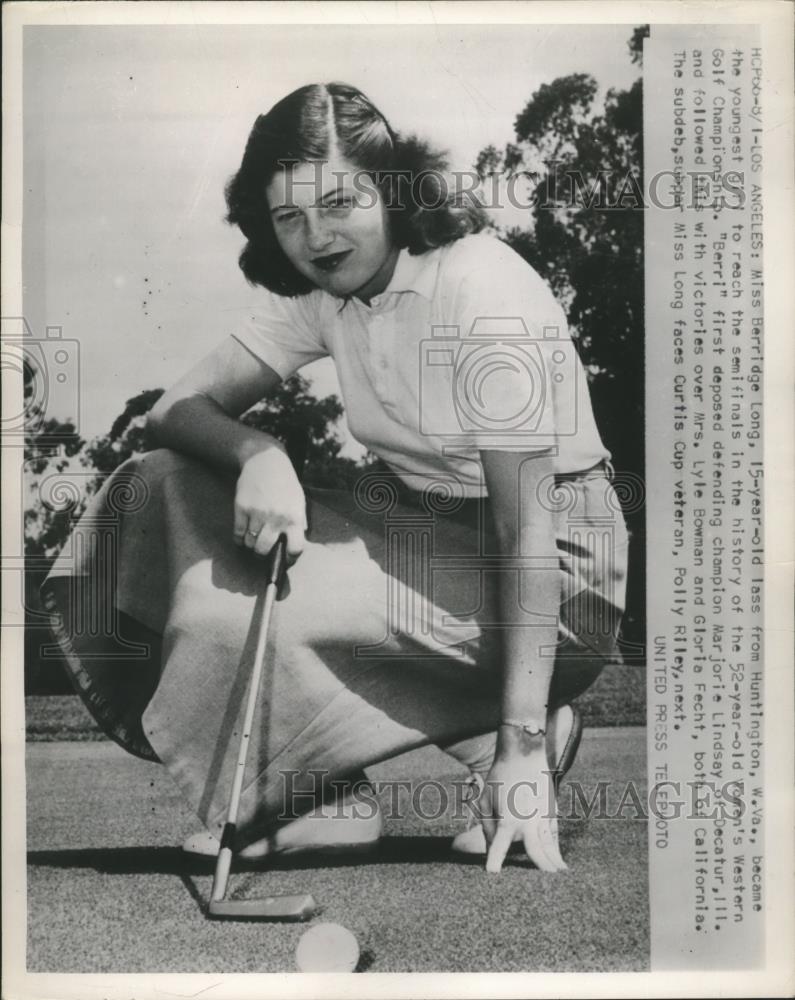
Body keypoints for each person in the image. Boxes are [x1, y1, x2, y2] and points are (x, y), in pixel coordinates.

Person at [42, 82, 627, 875]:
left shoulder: (481, 289)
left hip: (555, 566)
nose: (316, 237)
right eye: (288, 217)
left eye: (339, 201)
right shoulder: (323, 294)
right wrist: (259, 455)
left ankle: (512, 731)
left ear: (392, 189)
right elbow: (176, 409)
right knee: (162, 485)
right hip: (423, 534)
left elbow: (522, 532)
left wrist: (519, 755)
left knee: (248, 608)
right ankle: (330, 797)